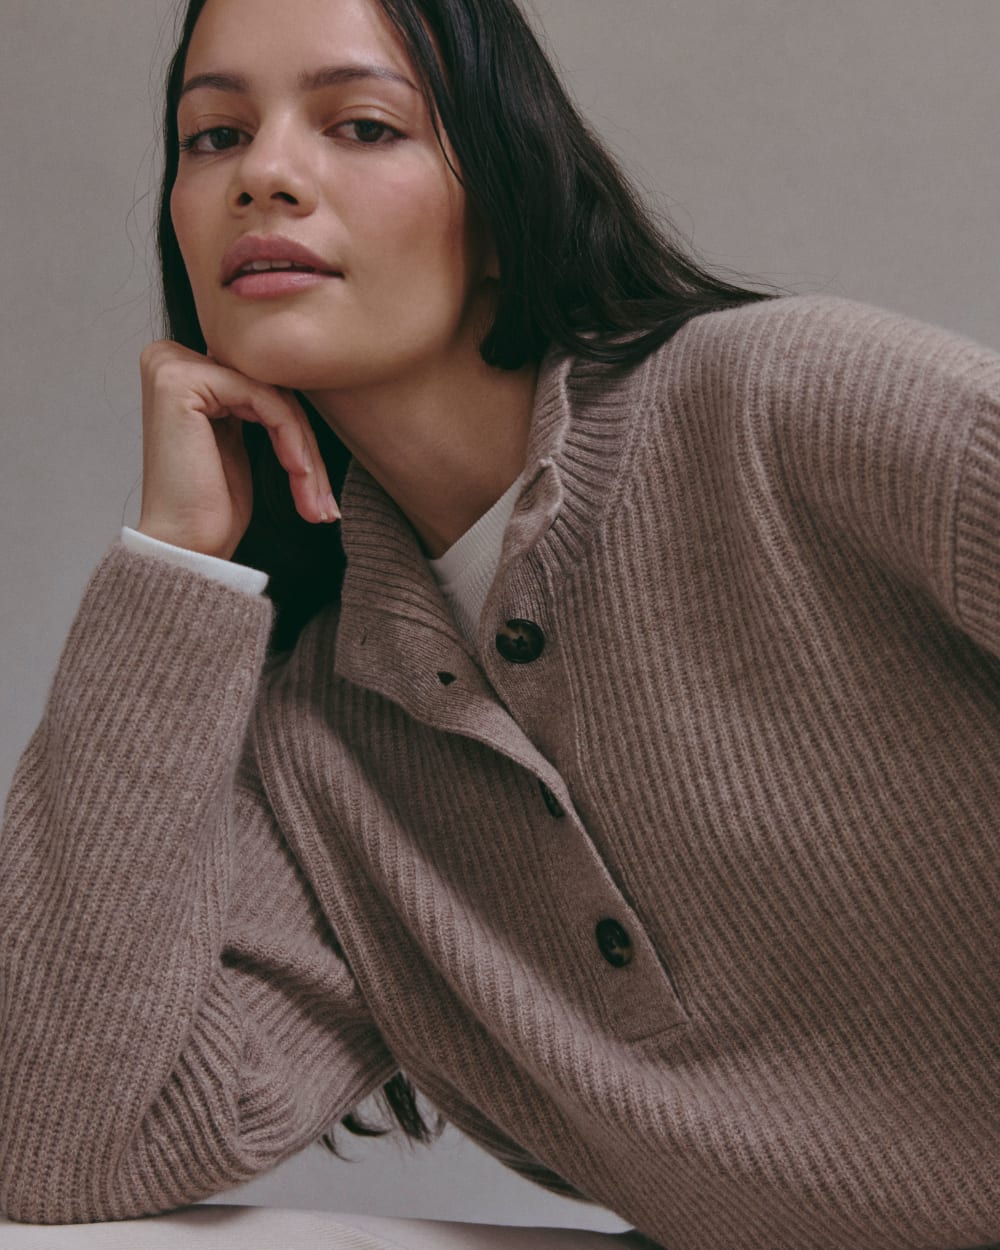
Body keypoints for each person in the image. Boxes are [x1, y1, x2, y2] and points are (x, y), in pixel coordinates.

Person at [0, 0, 997, 1247]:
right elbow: (50, 1142)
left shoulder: (792, 409)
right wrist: (175, 565)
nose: (264, 174)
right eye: (214, 137)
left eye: (362, 125)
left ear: (506, 196)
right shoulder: (324, 748)